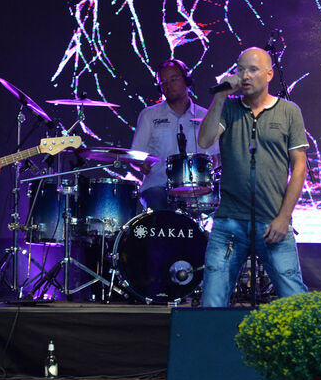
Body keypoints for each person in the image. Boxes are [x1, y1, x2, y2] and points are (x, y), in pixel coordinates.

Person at [196, 47, 309, 306]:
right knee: (211, 304)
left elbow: (299, 168)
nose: (245, 75)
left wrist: (283, 218)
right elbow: (204, 140)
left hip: (272, 223)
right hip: (229, 224)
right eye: (240, 69)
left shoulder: (289, 111)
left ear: (269, 74)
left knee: (296, 301)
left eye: (253, 69)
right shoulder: (230, 109)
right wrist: (221, 97)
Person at [131, 58, 219, 211]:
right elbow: (134, 156)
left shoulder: (205, 116)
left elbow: (214, 158)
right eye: (163, 82)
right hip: (158, 186)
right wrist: (140, 165)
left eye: (173, 79)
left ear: (187, 80)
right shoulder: (149, 115)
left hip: (196, 188)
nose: (168, 85)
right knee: (162, 210)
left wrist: (212, 164)